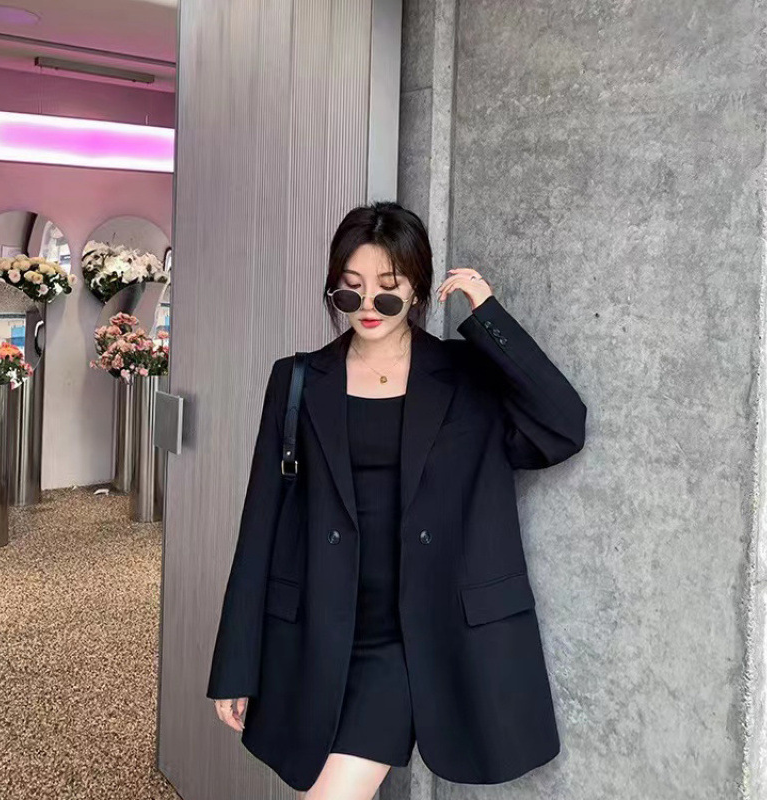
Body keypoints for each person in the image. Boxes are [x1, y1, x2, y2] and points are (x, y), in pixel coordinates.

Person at [207, 201, 587, 800]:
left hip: (418, 636)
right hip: (323, 634)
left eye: (388, 289)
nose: (367, 306)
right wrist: (236, 663)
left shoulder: (465, 377)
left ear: (416, 291)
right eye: (349, 289)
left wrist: (488, 316)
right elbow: (260, 525)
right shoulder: (298, 380)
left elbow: (562, 427)